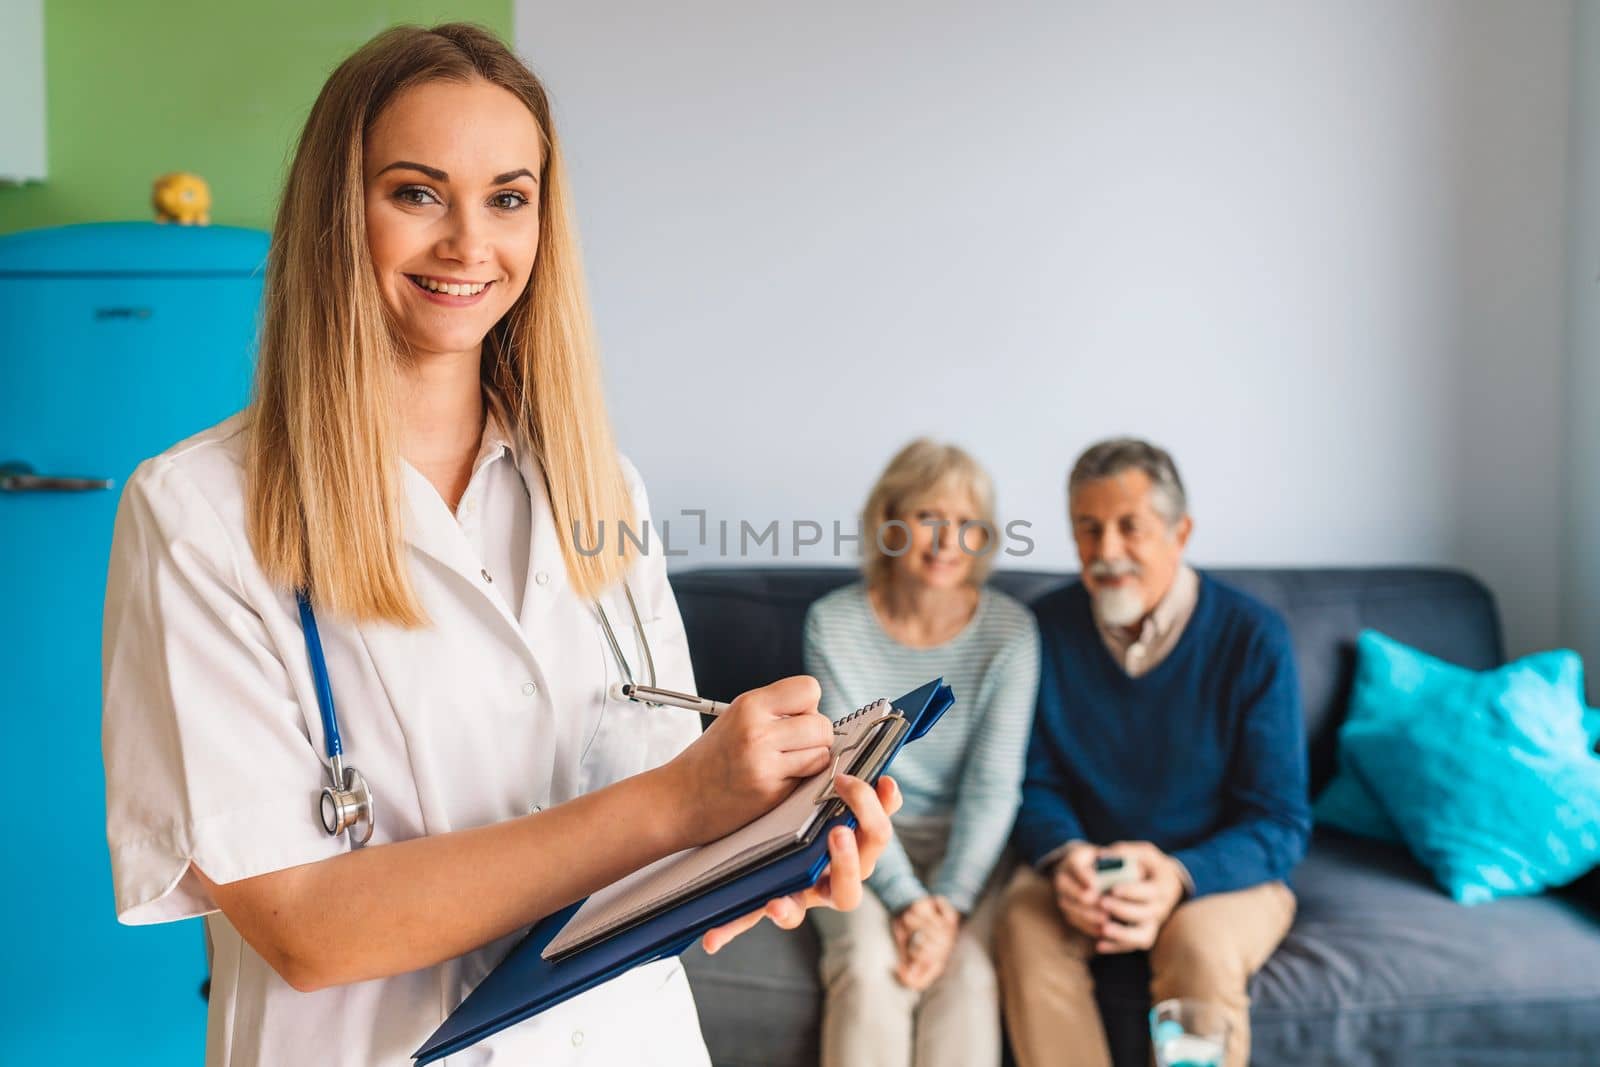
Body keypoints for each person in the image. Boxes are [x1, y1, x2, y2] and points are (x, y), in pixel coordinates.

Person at [100, 24, 898, 1067]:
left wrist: (766, 848)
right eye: (417, 192)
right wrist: (676, 802)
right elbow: (304, 924)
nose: (469, 244)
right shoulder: (199, 511)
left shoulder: (597, 484)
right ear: (340, 213)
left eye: (508, 197)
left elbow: (659, 825)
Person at [994, 438, 1311, 1067]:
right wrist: (1068, 857)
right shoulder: (1045, 628)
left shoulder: (1253, 637)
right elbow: (1034, 782)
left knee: (1198, 947)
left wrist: (1177, 876)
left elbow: (1280, 821)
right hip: (1089, 866)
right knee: (1022, 925)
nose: (1106, 551)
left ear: (1180, 532)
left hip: (1216, 876)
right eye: (1089, 529)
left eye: (1129, 527)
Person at [804, 439, 1039, 1067]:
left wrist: (948, 907)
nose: (946, 541)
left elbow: (993, 788)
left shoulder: (1011, 633)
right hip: (857, 828)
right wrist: (908, 901)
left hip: (971, 846)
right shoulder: (832, 623)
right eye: (930, 517)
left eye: (967, 525)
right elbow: (852, 779)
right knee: (867, 966)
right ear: (890, 521)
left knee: (965, 978)